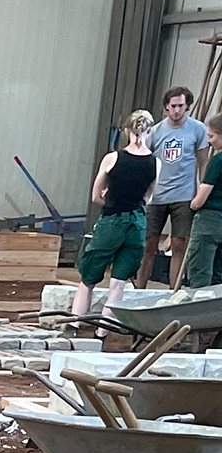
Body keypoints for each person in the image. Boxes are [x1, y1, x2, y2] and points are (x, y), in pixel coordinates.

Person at [73, 110, 158, 317]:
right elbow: (148, 198)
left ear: (126, 130)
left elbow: (95, 197)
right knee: (118, 284)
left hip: (112, 222)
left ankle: (73, 327)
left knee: (88, 280)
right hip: (136, 224)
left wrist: (109, 200)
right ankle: (102, 335)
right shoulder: (156, 162)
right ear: (149, 130)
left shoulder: (112, 159)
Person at [143, 86, 211, 288]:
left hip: (184, 195)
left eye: (181, 106)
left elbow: (203, 161)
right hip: (157, 195)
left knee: (179, 243)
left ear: (187, 106)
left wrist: (202, 189)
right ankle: (140, 288)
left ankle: (174, 291)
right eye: (173, 106)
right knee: (149, 243)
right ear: (166, 107)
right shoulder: (155, 132)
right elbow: (147, 162)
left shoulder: (198, 129)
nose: (177, 110)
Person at [184, 114, 222, 289]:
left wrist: (192, 204)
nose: (209, 141)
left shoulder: (217, 161)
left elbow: (201, 199)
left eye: (212, 136)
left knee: (200, 272)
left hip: (209, 221)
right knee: (218, 276)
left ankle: (197, 312)